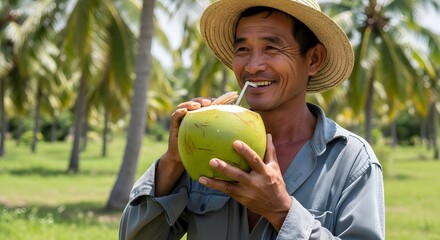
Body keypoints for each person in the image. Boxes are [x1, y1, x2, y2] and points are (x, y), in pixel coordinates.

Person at [119, 0, 385, 239]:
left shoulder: (351, 162)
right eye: (243, 49)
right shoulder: (204, 146)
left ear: (313, 59)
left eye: (271, 48)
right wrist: (173, 162)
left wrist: (281, 211)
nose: (253, 66)